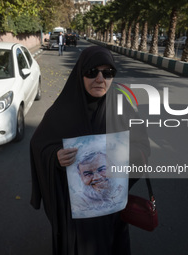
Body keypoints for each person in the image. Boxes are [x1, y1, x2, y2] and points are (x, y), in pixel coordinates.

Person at [30, 46, 150, 255]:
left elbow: (142, 148)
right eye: (92, 72)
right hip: (76, 216)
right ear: (80, 74)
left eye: (108, 73)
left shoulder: (122, 107)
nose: (100, 79)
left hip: (112, 211)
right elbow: (39, 146)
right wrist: (56, 157)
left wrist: (122, 156)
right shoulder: (62, 111)